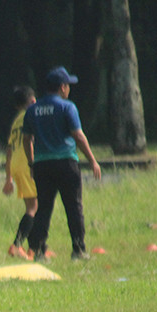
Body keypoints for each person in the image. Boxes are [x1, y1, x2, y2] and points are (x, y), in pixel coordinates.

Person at [22, 66, 102, 262]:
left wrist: (32, 163)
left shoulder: (33, 110)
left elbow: (26, 139)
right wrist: (92, 160)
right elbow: (78, 136)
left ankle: (39, 252)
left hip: (42, 165)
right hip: (66, 163)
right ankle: (78, 250)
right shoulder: (67, 107)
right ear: (62, 87)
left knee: (43, 209)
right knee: (73, 207)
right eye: (68, 86)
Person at [2, 85, 38, 260]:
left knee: (32, 206)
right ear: (32, 101)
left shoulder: (17, 120)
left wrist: (9, 177)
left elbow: (9, 150)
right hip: (27, 162)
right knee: (34, 207)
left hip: (16, 163)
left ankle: (35, 248)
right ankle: (17, 245)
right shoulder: (32, 116)